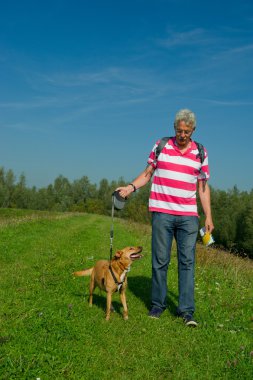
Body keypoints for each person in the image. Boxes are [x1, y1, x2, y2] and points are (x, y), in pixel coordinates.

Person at [116, 109, 214, 327]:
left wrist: (208, 215)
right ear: (174, 128)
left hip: (188, 216)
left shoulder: (200, 152)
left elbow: (203, 187)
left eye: (186, 132)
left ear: (193, 130)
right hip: (162, 213)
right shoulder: (161, 145)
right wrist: (130, 187)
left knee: (187, 262)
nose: (182, 135)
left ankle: (187, 312)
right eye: (179, 130)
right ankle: (157, 306)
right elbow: (147, 174)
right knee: (160, 261)